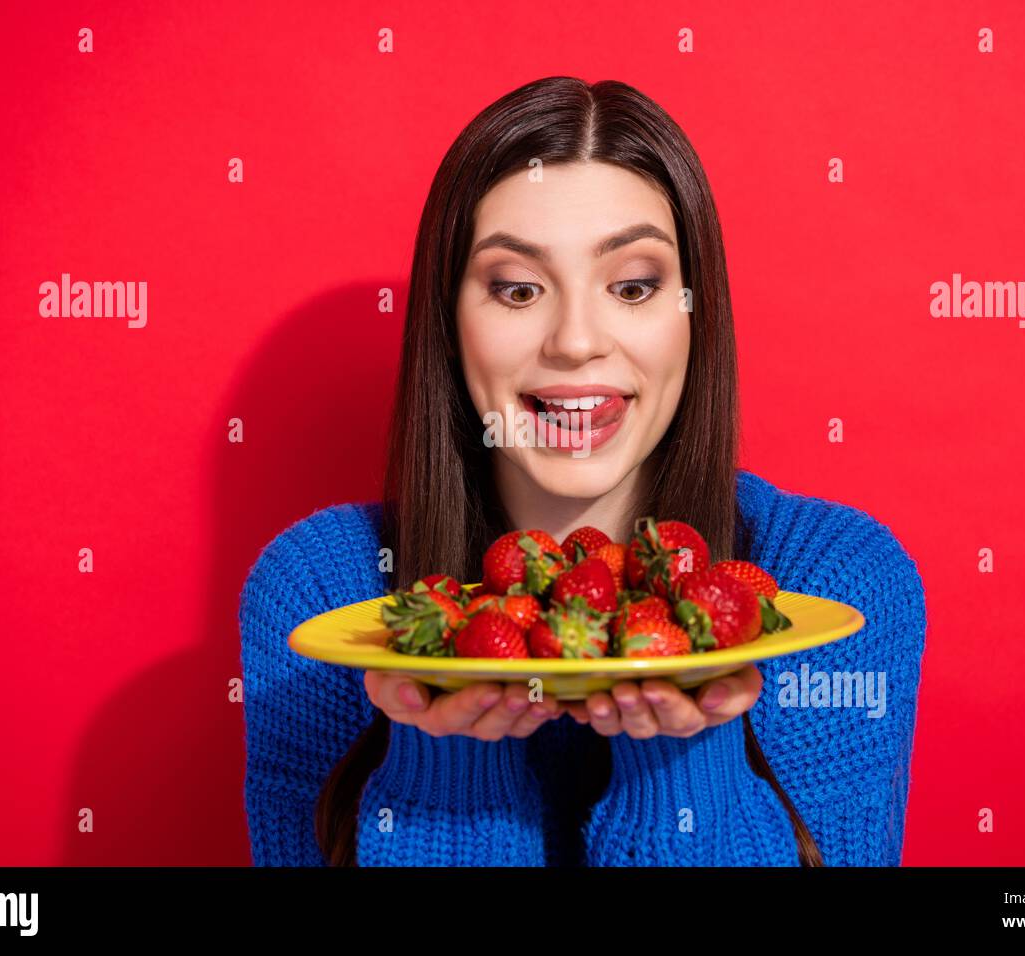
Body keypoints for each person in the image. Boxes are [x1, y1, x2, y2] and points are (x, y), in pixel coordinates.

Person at [238, 76, 927, 866]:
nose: (574, 340)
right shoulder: (327, 596)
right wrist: (446, 769)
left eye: (632, 286)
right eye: (518, 288)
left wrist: (687, 759)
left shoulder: (834, 581)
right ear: (450, 322)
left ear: (695, 316)